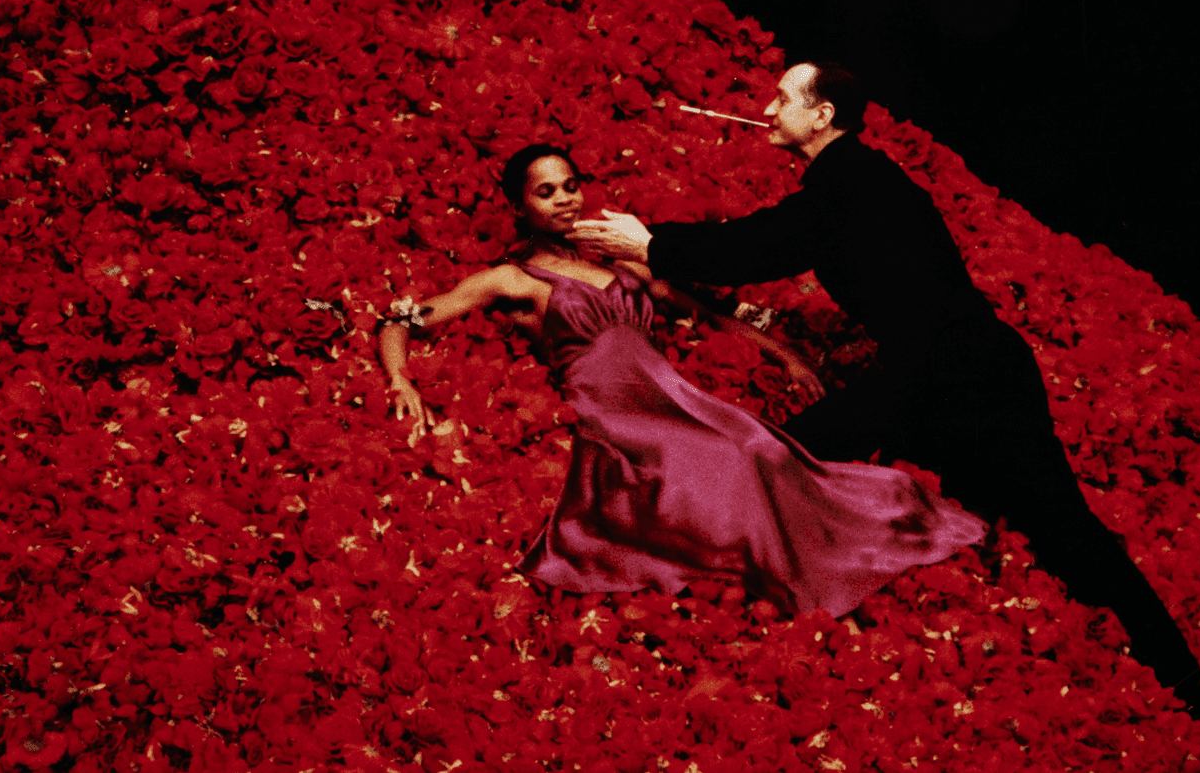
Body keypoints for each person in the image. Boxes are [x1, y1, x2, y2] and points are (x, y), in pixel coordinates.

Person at [568, 61, 1200, 725]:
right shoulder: (852, 178)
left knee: (1059, 528)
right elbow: (774, 237)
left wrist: (652, 244)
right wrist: (660, 245)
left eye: (783, 98)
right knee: (852, 474)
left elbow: (762, 246)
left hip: (965, 375)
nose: (768, 109)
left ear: (821, 115)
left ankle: (1183, 678)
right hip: (942, 374)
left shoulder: (850, 182)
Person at [378, 143, 987, 618]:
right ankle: (798, 586)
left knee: (764, 448)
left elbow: (707, 313)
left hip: (671, 393)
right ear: (520, 207)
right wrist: (401, 378)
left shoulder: (621, 261)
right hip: (612, 409)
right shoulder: (510, 280)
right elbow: (401, 317)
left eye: (571, 186)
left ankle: (821, 565)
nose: (565, 199)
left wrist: (783, 355)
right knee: (736, 457)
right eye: (546, 192)